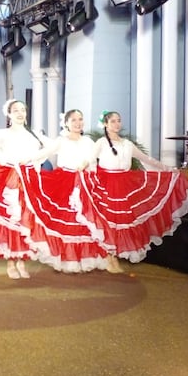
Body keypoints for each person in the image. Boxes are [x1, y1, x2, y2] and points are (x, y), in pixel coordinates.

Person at [80, 110, 188, 264]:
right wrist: (82, 171)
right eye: (113, 121)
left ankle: (119, 253)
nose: (117, 124)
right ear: (105, 124)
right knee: (109, 219)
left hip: (125, 184)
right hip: (107, 183)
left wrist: (168, 169)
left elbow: (147, 159)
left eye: (118, 120)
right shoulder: (101, 142)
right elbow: (90, 159)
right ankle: (108, 255)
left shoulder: (127, 144)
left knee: (125, 219)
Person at [19, 109, 113, 273]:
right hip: (65, 183)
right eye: (74, 120)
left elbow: (92, 161)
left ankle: (85, 259)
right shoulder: (61, 141)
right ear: (67, 123)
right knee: (67, 221)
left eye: (80, 119)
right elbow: (44, 153)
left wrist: (92, 178)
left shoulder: (89, 142)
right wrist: (26, 160)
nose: (78, 123)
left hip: (84, 183)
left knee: (83, 222)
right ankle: (67, 260)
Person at [0, 99, 55, 279]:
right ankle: (11, 260)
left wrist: (34, 157)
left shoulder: (33, 134)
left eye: (23, 110)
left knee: (27, 219)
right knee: (13, 217)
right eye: (16, 110)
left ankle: (22, 260)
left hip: (29, 179)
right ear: (9, 114)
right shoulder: (2, 133)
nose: (20, 113)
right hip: (11, 178)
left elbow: (53, 146)